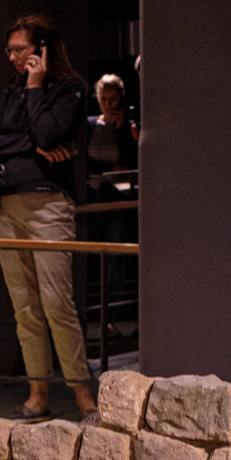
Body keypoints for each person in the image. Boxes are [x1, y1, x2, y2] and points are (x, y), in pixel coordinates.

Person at [0, 14, 98, 424]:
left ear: (42, 49)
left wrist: (33, 87)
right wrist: (32, 146)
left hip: (48, 205)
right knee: (24, 307)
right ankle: (38, 392)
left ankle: (83, 394)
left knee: (56, 303)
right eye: (9, 49)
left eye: (18, 49)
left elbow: (51, 134)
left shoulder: (69, 89)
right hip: (6, 208)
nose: (11, 57)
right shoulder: (7, 90)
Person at [82, 73, 140, 346]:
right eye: (103, 99)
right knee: (90, 261)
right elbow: (82, 161)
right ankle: (90, 319)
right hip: (92, 203)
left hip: (117, 204)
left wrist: (122, 133)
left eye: (112, 99)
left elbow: (132, 164)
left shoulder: (127, 126)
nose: (107, 104)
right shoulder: (90, 125)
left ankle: (112, 317)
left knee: (116, 263)